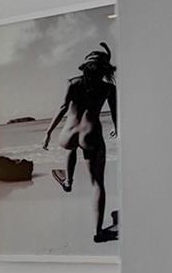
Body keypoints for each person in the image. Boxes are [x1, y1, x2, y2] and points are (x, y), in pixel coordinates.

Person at [43, 42, 119, 243]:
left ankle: (68, 181)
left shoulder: (72, 83)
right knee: (97, 184)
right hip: (90, 133)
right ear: (104, 70)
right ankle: (98, 232)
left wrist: (48, 132)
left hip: (68, 134)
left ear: (84, 67)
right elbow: (114, 112)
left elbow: (62, 109)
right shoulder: (108, 88)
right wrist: (116, 127)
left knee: (71, 148)